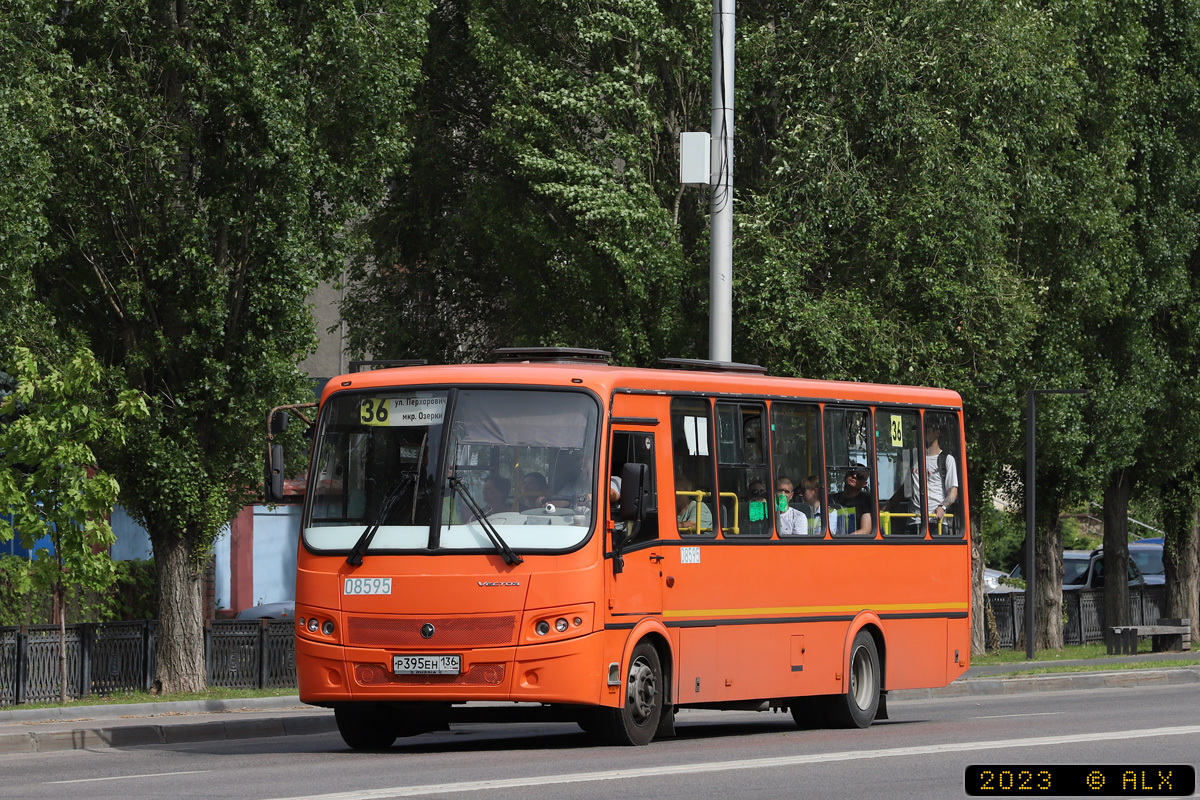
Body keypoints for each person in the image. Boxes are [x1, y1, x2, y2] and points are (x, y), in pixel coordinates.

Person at [914, 422, 959, 533]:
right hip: (913, 520)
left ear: (937, 433)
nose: (923, 435)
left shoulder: (947, 459)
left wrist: (942, 507)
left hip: (935, 521)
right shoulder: (915, 456)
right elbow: (905, 488)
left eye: (927, 431)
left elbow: (953, 492)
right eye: (920, 432)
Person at [833, 464, 873, 535]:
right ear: (846, 475)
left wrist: (843, 540)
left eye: (859, 476)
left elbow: (865, 530)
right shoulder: (832, 499)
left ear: (864, 484)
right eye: (852, 472)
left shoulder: (867, 500)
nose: (854, 476)